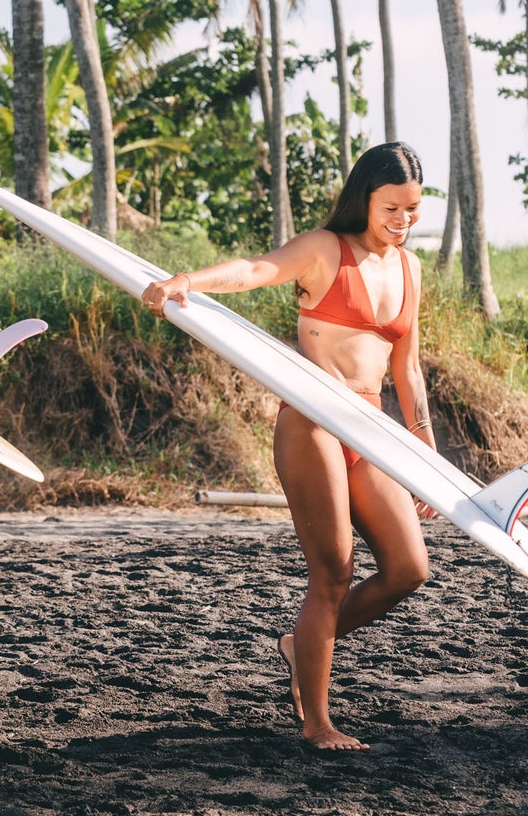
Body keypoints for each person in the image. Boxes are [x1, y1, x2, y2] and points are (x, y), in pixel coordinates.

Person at [141, 143, 436, 754]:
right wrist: (187, 282)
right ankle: (318, 722)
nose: (403, 221)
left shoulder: (409, 270)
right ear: (365, 198)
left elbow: (407, 369)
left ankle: (299, 644)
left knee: (409, 568)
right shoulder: (325, 250)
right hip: (315, 420)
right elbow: (254, 269)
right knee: (334, 570)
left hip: (372, 428)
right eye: (392, 207)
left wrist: (424, 450)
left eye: (412, 209)